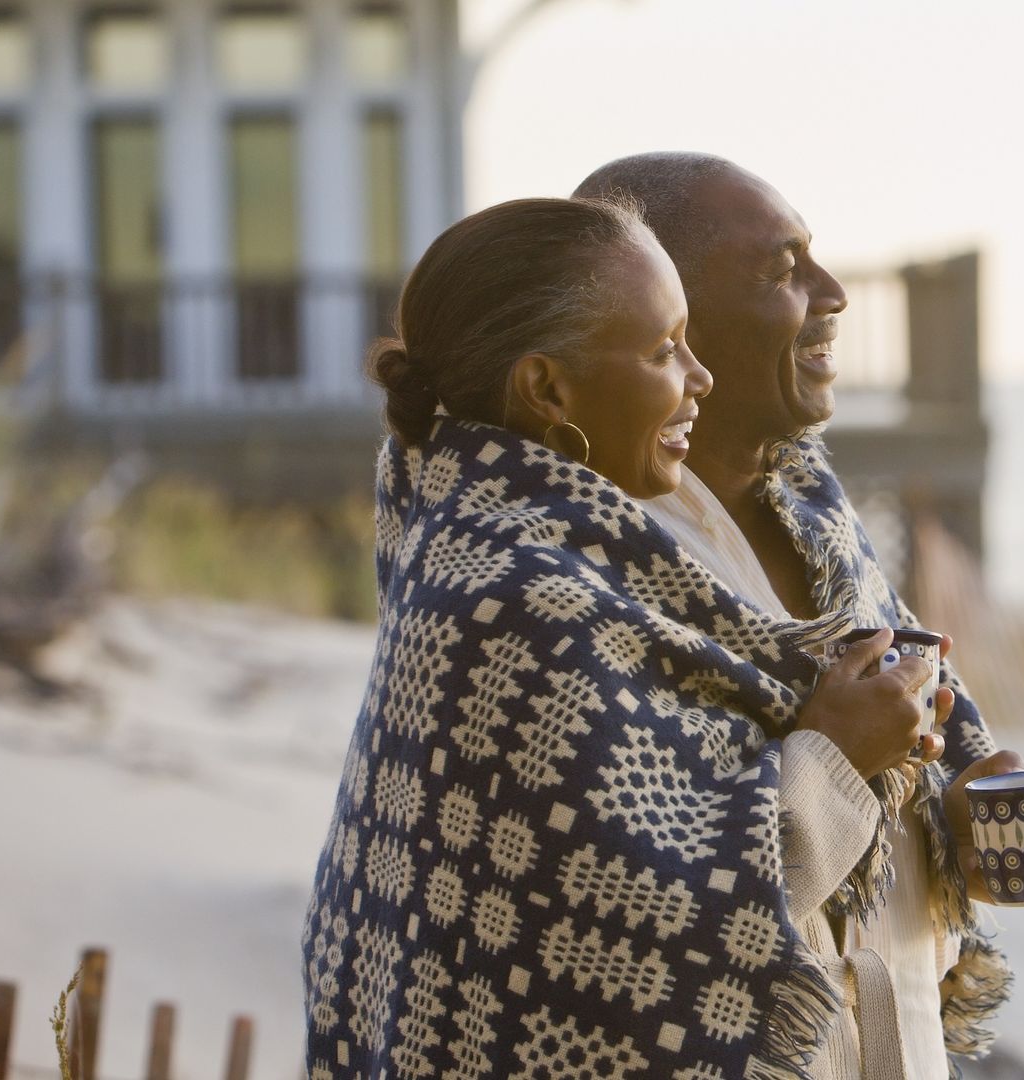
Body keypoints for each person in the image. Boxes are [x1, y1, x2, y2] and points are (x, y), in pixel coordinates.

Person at [302, 197, 952, 1078]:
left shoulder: (549, 553)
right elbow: (650, 927)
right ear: (547, 389)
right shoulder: (517, 597)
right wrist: (835, 757)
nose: (701, 377)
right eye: (662, 350)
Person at [575, 154, 1023, 1079]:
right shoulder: (583, 568)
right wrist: (831, 760)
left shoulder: (817, 506)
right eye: (783, 272)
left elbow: (911, 741)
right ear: (665, 313)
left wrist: (955, 815)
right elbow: (623, 918)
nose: (832, 294)